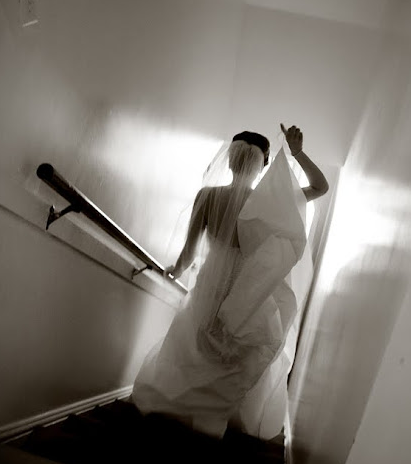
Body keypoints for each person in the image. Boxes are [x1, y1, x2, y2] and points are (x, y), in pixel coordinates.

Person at [132, 124, 328, 439]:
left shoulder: (208, 195)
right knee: (235, 354)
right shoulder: (271, 201)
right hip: (248, 286)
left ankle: (181, 410)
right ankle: (212, 421)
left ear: (231, 160)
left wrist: (176, 271)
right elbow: (320, 187)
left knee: (197, 347)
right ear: (262, 165)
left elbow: (189, 251)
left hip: (211, 283)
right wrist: (297, 152)